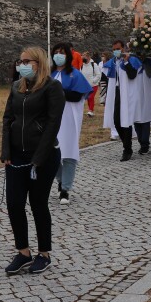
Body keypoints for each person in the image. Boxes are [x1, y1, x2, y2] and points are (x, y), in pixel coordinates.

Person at [1, 47, 64, 275]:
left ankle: (44, 254)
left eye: (27, 61)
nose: (22, 64)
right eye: (21, 61)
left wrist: (38, 159)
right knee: (14, 204)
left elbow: (52, 124)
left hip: (43, 157)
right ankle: (23, 252)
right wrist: (6, 151)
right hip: (17, 156)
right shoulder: (16, 87)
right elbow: (8, 119)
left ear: (38, 63)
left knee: (38, 204)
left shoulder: (52, 87)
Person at [50, 42, 93, 205]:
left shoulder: (75, 74)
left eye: (62, 52)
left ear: (68, 55)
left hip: (68, 118)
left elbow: (78, 95)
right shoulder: (50, 74)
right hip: (52, 117)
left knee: (67, 152)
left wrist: (59, 92)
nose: (58, 55)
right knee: (51, 152)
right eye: (56, 52)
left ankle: (65, 188)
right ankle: (61, 180)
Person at [102, 40, 141, 161]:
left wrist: (126, 61)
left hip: (127, 94)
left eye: (118, 49)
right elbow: (106, 77)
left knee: (126, 121)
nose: (116, 51)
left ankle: (127, 149)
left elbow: (132, 75)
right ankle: (126, 144)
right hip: (116, 92)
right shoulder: (112, 62)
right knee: (116, 120)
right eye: (113, 49)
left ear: (124, 48)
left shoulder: (131, 60)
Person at [80, 52, 101, 117]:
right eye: (82, 56)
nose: (83, 58)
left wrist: (93, 81)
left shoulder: (94, 65)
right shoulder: (81, 65)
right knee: (86, 98)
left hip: (93, 85)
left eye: (84, 57)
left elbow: (98, 75)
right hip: (85, 86)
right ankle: (89, 110)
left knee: (90, 97)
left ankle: (90, 111)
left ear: (88, 57)